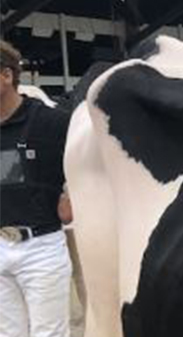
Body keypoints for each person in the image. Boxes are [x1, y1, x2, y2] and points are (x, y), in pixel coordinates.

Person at [1, 41, 74, 337]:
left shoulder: (53, 122)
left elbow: (89, 163)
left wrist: (74, 196)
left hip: (41, 247)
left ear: (7, 76)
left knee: (49, 333)